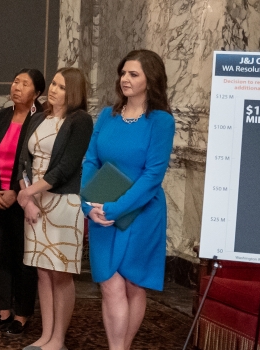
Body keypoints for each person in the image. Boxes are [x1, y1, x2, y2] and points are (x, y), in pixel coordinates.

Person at [82, 49, 173, 350]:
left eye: (134, 74)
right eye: (123, 73)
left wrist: (116, 207)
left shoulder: (161, 121)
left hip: (142, 213)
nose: (125, 79)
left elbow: (152, 176)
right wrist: (88, 205)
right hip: (101, 212)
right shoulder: (108, 116)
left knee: (132, 283)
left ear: (151, 80)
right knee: (109, 284)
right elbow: (90, 161)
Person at [16, 67, 93, 350]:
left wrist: (27, 194)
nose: (54, 89)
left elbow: (65, 168)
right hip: (35, 201)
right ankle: (46, 336)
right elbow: (23, 161)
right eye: (54, 84)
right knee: (42, 271)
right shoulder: (39, 117)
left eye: (61, 86)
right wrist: (28, 200)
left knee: (60, 273)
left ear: (72, 91)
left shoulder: (80, 120)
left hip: (62, 202)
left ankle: (58, 339)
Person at [0, 69, 44, 335]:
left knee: (23, 258)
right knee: (1, 255)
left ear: (37, 93)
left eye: (25, 84)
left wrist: (18, 191)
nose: (17, 87)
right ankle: (4, 311)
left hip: (24, 199)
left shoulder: (39, 122)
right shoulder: (0, 117)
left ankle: (23, 314)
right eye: (15, 81)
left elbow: (35, 162)